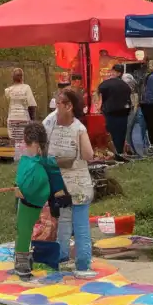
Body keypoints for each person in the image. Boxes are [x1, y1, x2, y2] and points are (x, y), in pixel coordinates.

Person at [43, 88, 95, 277]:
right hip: (64, 184)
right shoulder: (52, 122)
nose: (56, 106)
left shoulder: (77, 128)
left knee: (73, 223)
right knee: (68, 222)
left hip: (72, 184)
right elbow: (89, 155)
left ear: (69, 106)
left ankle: (77, 262)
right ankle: (71, 261)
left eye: (58, 103)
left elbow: (88, 155)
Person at [11, 121, 69, 283]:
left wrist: (58, 192)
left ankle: (23, 262)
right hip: (33, 200)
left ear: (34, 143)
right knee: (26, 230)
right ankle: (25, 258)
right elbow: (22, 175)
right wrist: (16, 186)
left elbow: (52, 172)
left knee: (24, 231)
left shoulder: (37, 159)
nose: (25, 145)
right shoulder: (38, 159)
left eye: (27, 142)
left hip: (32, 201)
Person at [97, 64, 133, 162]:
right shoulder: (125, 85)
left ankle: (114, 154)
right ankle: (120, 153)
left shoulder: (104, 84)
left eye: (113, 71)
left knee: (111, 134)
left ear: (117, 73)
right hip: (123, 113)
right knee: (121, 134)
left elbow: (100, 98)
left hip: (110, 113)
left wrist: (99, 108)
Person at [4, 68, 38, 163]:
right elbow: (31, 105)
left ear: (12, 78)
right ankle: (25, 159)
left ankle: (18, 158)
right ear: (22, 77)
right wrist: (32, 121)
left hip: (12, 118)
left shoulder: (8, 90)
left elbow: (7, 104)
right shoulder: (26, 88)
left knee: (16, 141)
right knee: (25, 140)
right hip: (23, 117)